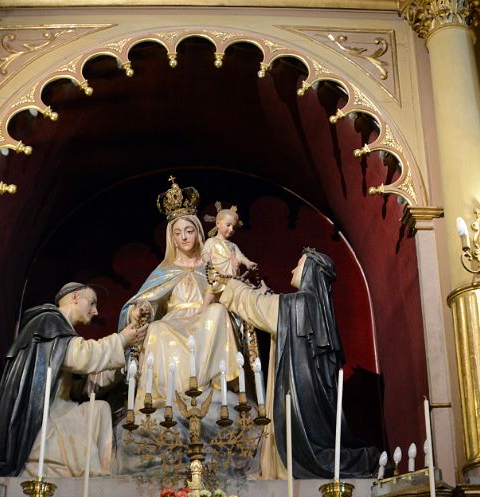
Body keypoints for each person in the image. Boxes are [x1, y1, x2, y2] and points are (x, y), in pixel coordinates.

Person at [215, 248, 380, 478]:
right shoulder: (317, 306)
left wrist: (229, 285)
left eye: (299, 264)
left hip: (301, 394)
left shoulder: (301, 302)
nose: (293, 269)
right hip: (316, 396)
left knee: (301, 445)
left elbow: (259, 308)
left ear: (310, 269)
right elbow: (273, 307)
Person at [0, 282, 146, 477]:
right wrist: (121, 340)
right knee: (83, 425)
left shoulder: (63, 334)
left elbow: (87, 384)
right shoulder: (48, 322)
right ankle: (92, 476)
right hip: (44, 414)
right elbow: (81, 357)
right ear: (75, 297)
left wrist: (123, 364)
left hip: (62, 407)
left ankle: (104, 479)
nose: (95, 311)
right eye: (92, 302)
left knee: (100, 409)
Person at [118, 179, 241, 404]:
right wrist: (141, 308)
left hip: (205, 320)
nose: (184, 237)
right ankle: (166, 397)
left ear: (198, 233)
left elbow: (231, 292)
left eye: (189, 231)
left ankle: (215, 385)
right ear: (172, 238)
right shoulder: (165, 271)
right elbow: (141, 303)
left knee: (218, 313)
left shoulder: (210, 265)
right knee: (156, 329)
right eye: (178, 233)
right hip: (174, 322)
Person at [201, 205, 257, 280]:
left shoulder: (233, 245)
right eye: (228, 225)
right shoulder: (211, 241)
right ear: (218, 224)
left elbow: (240, 257)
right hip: (217, 277)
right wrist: (208, 261)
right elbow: (205, 253)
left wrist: (248, 263)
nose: (231, 229)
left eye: (234, 227)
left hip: (233, 277)